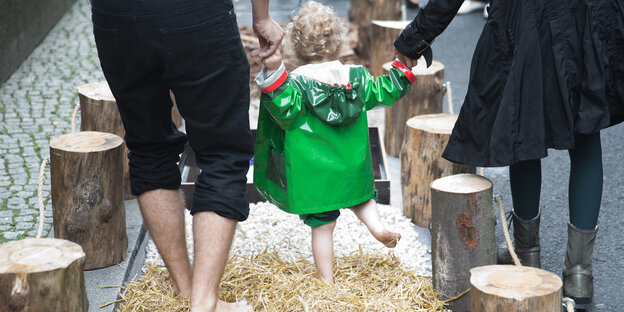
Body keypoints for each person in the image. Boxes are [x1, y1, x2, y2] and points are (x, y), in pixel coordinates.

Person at [394, 0, 623, 309]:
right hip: (583, 16)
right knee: (585, 135)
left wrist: (416, 37)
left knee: (524, 131)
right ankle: (579, 273)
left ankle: (527, 255)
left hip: (526, 21)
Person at [90, 0, 283, 311]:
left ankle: (185, 289)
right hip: (195, 14)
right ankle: (204, 302)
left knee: (148, 147)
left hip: (115, 17)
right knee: (223, 154)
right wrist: (262, 18)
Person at [252, 1, 411, 283]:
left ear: (296, 48)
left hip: (315, 177)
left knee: (323, 228)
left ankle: (328, 283)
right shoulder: (356, 78)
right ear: (338, 44)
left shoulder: (296, 84)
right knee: (361, 198)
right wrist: (402, 69)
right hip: (352, 169)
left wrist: (275, 69)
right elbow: (385, 90)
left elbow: (284, 111)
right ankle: (376, 228)